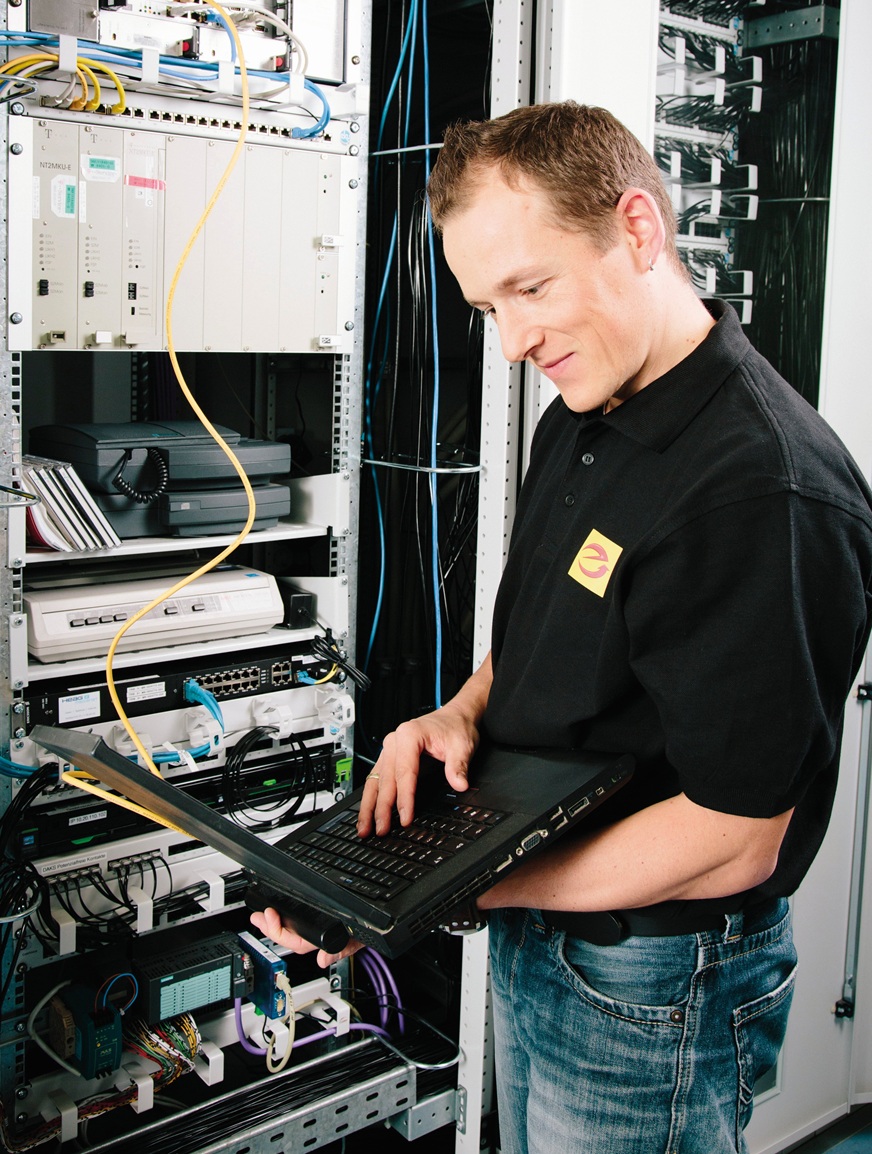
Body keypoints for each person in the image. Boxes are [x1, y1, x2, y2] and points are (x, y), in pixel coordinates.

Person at [251, 101, 872, 1153]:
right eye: (486, 306)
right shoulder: (587, 413)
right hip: (549, 930)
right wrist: (459, 711)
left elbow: (733, 836)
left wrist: (445, 888)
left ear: (638, 228)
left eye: (529, 288)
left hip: (651, 980)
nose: (512, 342)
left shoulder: (759, 492)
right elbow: (558, 627)